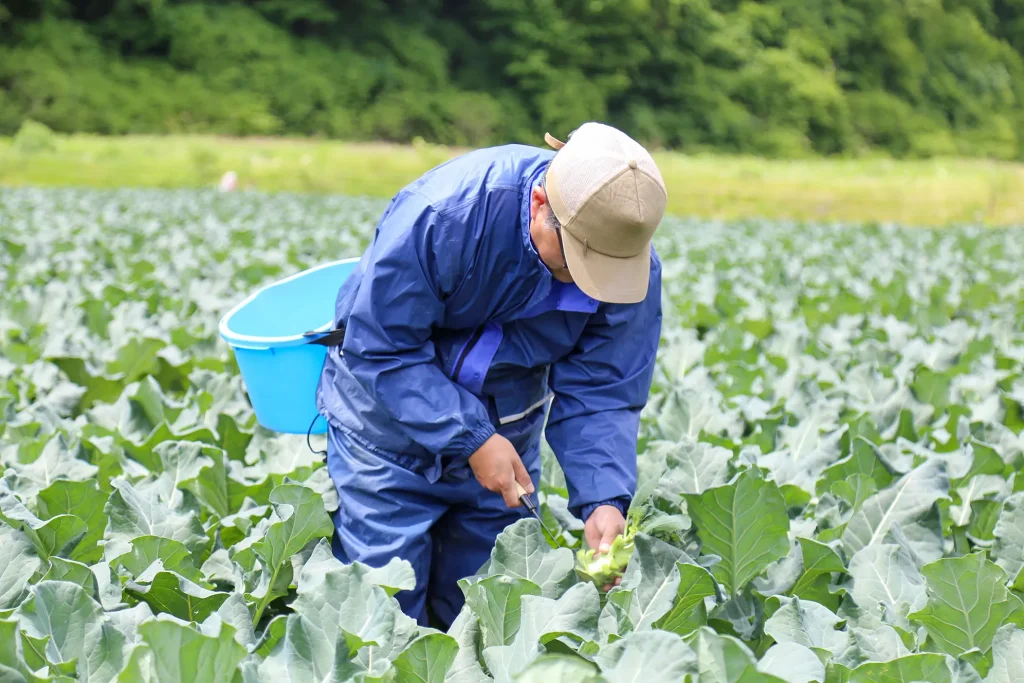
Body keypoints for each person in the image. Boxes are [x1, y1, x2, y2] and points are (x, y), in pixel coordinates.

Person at [316, 122, 667, 628]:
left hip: (508, 448)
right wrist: (472, 437)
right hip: (385, 441)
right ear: (541, 203)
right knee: (383, 623)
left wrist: (604, 498)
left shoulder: (625, 265)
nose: (584, 279)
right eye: (575, 259)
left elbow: (604, 390)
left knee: (485, 623)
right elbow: (381, 346)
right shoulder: (446, 214)